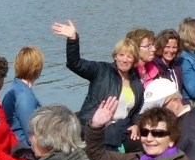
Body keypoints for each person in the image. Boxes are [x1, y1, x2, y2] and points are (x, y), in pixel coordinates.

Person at [52, 19, 145, 150]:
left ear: (134, 60)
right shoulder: (102, 71)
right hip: (96, 130)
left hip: (120, 130)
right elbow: (75, 64)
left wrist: (136, 124)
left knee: (145, 143)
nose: (124, 60)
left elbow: (136, 110)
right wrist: (73, 39)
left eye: (129, 57)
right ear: (115, 56)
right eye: (121, 55)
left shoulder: (136, 82)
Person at [1, 46, 43, 147]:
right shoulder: (25, 96)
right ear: (36, 69)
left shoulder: (15, 87)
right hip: (25, 149)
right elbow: (31, 136)